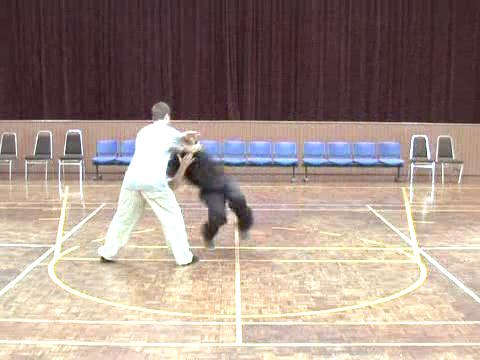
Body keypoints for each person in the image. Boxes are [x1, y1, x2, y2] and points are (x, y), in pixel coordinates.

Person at [98, 102, 202, 266]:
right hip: (153, 182)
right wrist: (195, 141)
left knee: (123, 218)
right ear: (167, 116)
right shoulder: (171, 132)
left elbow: (163, 143)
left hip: (131, 180)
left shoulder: (142, 132)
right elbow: (191, 148)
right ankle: (184, 257)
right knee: (172, 219)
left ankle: (108, 252)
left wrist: (183, 136)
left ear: (153, 117)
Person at [167, 146, 253, 250]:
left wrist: (190, 150)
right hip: (208, 189)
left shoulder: (195, 148)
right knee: (218, 216)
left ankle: (244, 226)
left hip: (224, 180)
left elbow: (197, 145)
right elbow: (174, 183)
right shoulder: (174, 161)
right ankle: (208, 235)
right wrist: (183, 165)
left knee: (238, 199)